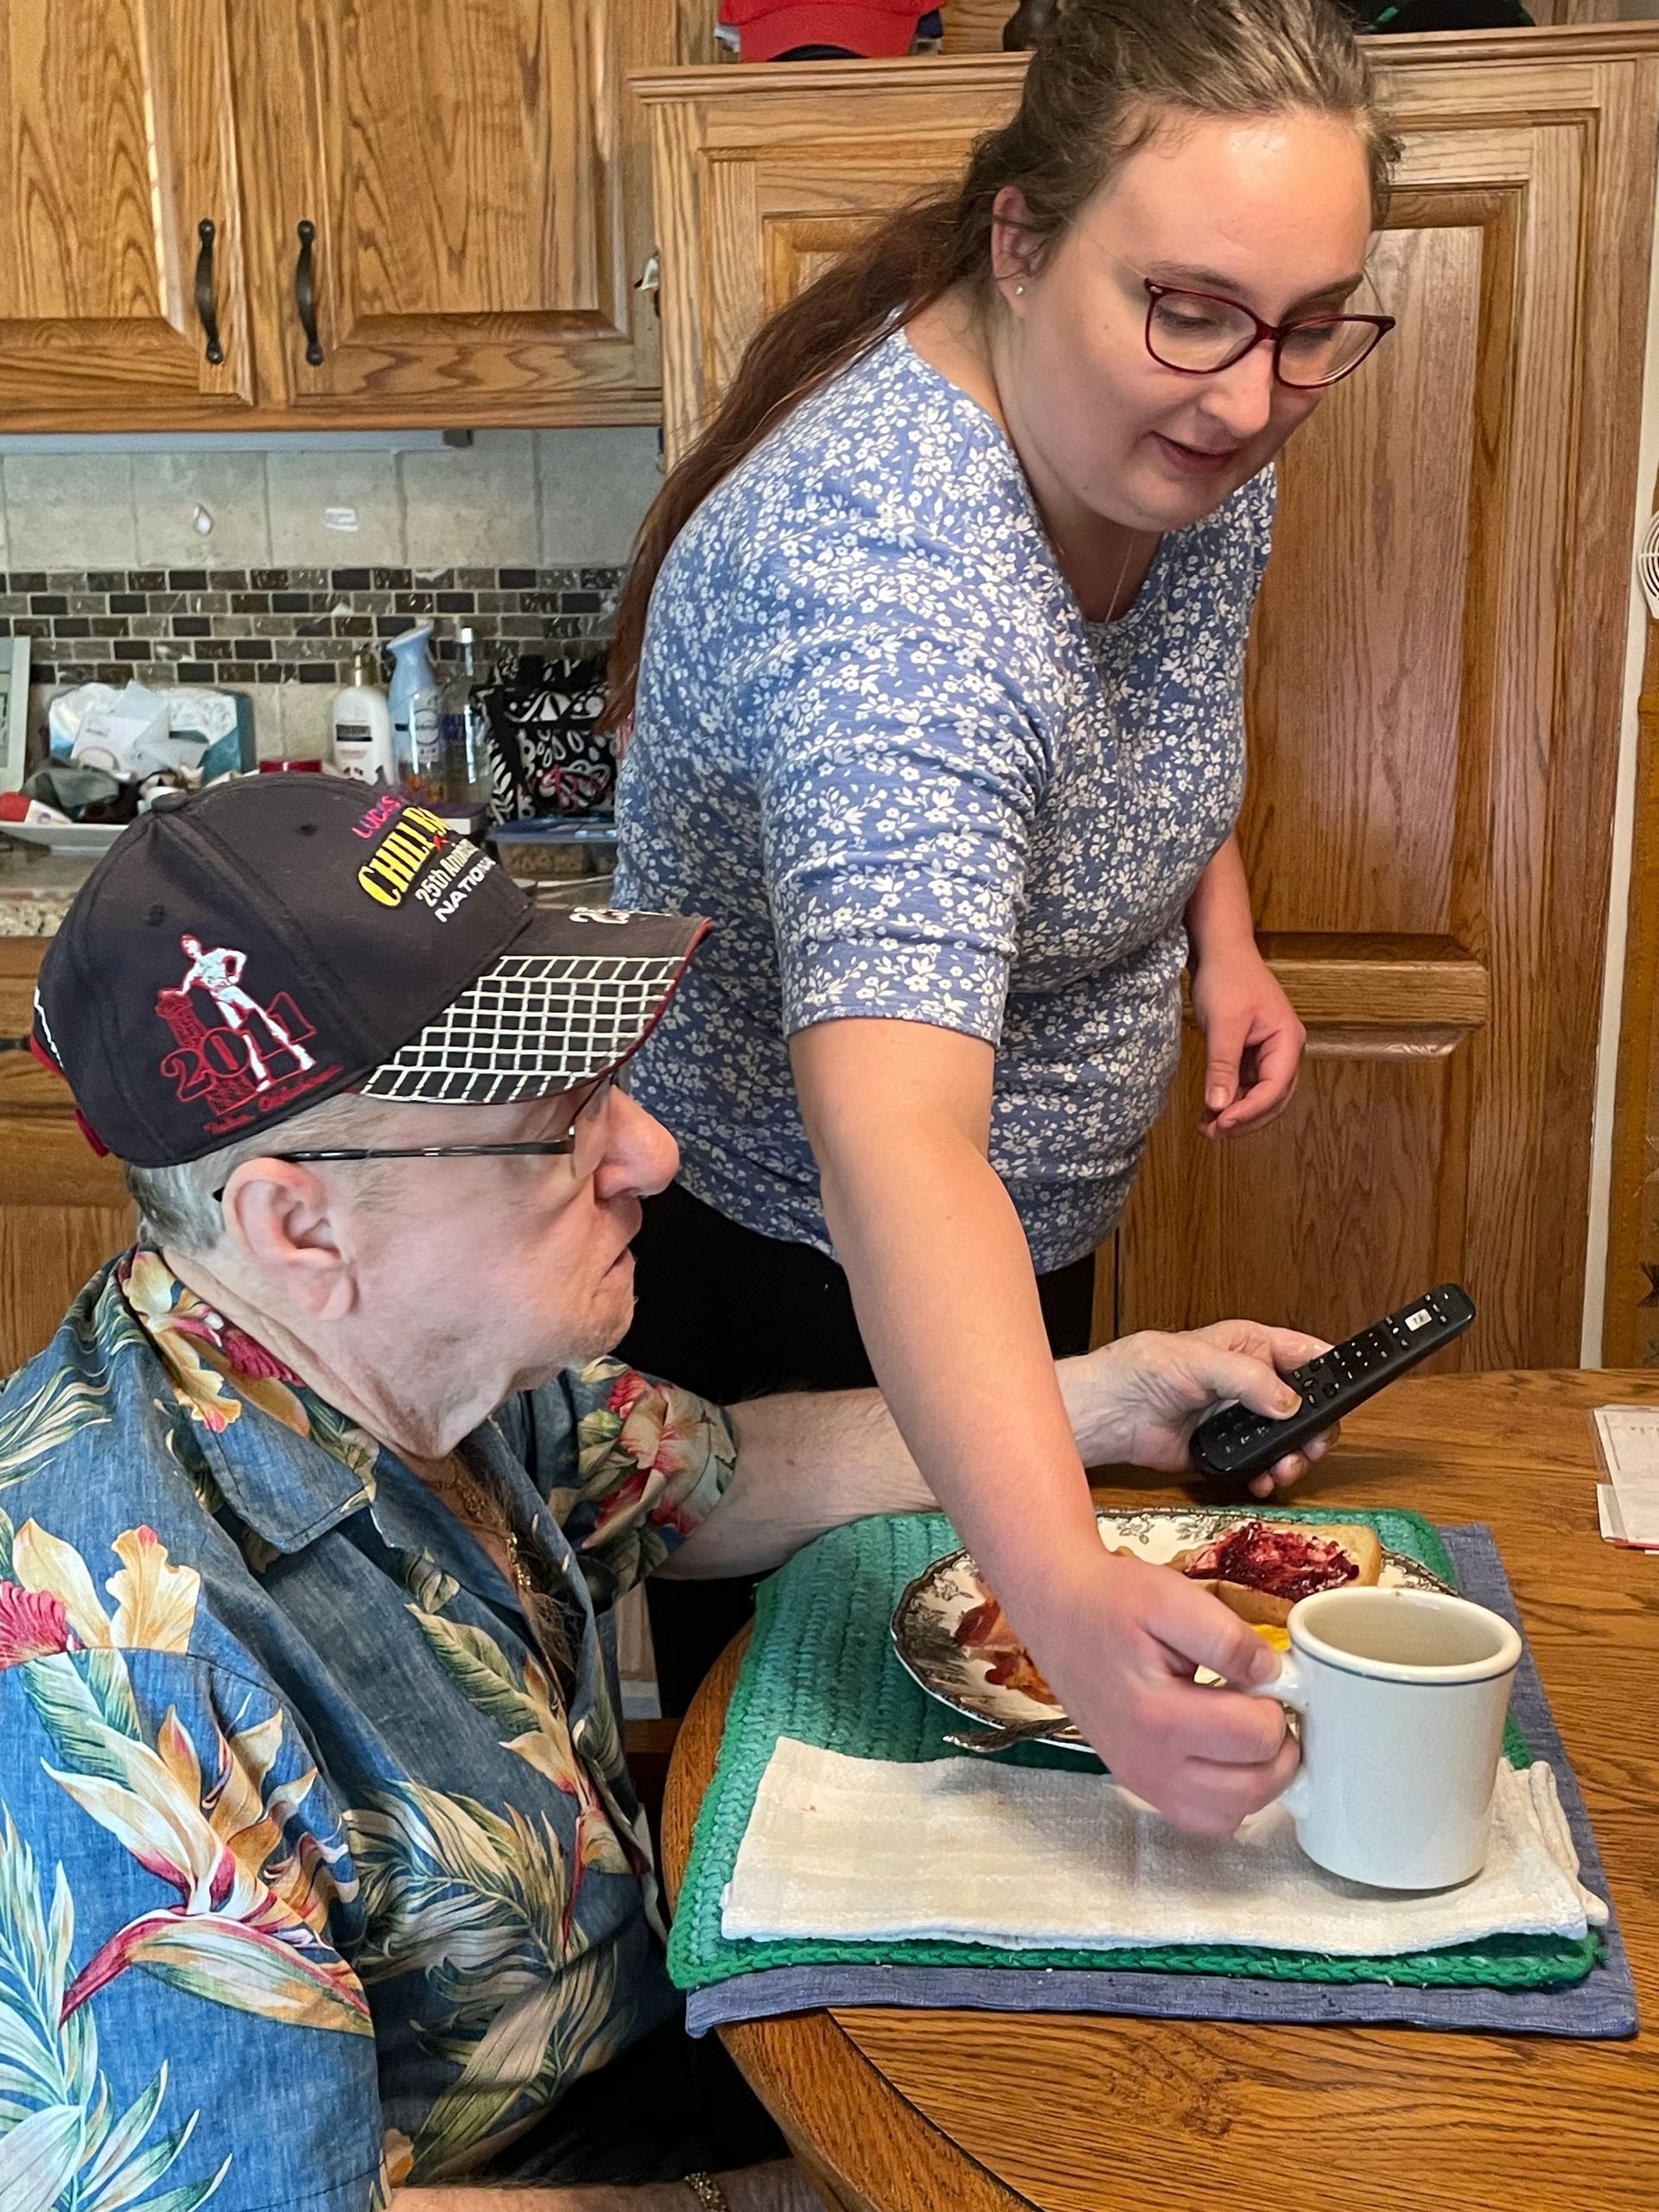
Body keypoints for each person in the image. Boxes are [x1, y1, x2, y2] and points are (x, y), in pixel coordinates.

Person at [3, 778, 1330, 2211]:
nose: (651, 1154)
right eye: (564, 1121)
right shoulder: (105, 1657)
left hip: (657, 2047)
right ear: (298, 1220)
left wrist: (1112, 1396)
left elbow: (725, 1471)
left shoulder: (402, 1357)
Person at [609, 0, 1395, 1717]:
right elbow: (897, 1141)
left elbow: (1139, 720)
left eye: (1312, 328)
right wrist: (1074, 1606)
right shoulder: (893, 589)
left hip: (1019, 1220)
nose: (1254, 395)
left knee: (1003, 1703)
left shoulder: (1178, 421)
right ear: (1022, 241)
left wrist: (1226, 936)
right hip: (803, 1254)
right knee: (848, 1760)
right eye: (1189, 312)